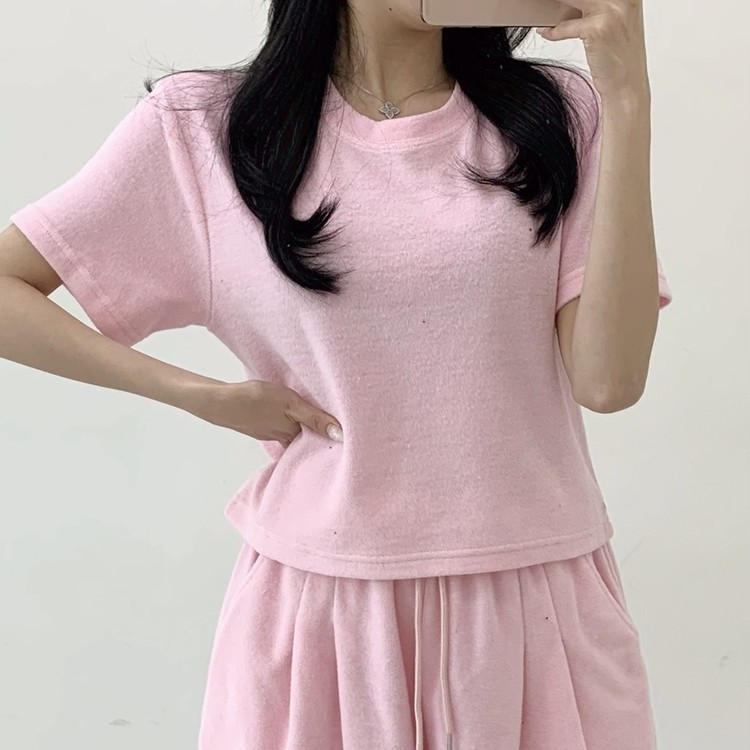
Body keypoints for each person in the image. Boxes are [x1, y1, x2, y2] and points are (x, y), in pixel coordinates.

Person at [1, 0, 674, 748]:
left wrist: (629, 98)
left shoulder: (557, 117)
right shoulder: (204, 130)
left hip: (537, 601)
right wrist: (200, 396)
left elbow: (610, 381)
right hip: (322, 616)